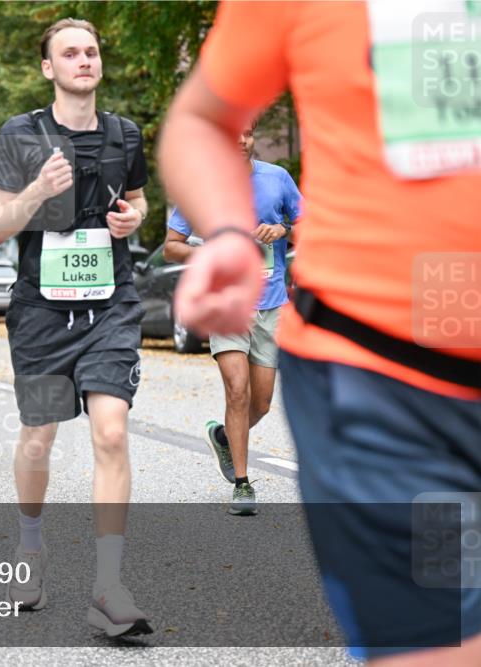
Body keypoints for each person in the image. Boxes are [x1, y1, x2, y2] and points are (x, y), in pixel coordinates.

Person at [158, 1, 480, 663]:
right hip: (395, 390)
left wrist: (282, 230)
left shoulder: (277, 179)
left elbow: (295, 218)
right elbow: (199, 121)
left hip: (307, 324)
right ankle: (241, 472)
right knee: (448, 632)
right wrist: (221, 232)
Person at [0, 19, 151, 637]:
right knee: (39, 437)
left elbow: (137, 201)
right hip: (43, 314)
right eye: (70, 53)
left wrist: (133, 219)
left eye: (91, 51)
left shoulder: (125, 134)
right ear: (48, 68)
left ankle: (109, 586)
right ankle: (30, 547)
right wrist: (35, 191)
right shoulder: (20, 134)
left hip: (111, 304)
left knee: (111, 432)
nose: (84, 60)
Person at [163, 121, 302, 515]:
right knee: (236, 389)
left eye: (247, 133)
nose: (240, 141)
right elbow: (172, 248)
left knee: (259, 401)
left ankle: (223, 437)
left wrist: (282, 229)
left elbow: (307, 227)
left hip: (271, 304)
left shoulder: (277, 179)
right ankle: (242, 484)